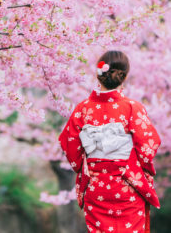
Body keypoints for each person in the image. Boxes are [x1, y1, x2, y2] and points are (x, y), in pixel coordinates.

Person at [58, 50, 161, 233]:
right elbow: (148, 144)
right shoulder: (132, 108)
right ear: (124, 76)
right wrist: (134, 165)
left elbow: (69, 143)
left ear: (98, 75)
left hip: (97, 187)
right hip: (127, 184)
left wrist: (85, 164)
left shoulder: (82, 109)